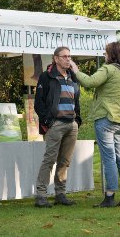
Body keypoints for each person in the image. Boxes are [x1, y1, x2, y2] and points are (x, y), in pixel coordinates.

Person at [70, 42, 120, 207]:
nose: (104, 56)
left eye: (105, 53)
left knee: (109, 158)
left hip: (106, 119)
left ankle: (110, 195)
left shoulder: (108, 69)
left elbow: (89, 82)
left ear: (112, 55)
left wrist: (76, 70)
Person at [34, 46, 82, 208]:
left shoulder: (72, 77)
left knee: (65, 161)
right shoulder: (46, 77)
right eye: (64, 56)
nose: (68, 59)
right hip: (55, 124)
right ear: (55, 58)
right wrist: (49, 121)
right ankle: (41, 195)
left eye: (69, 56)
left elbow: (76, 101)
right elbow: (38, 103)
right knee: (50, 160)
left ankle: (60, 194)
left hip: (71, 124)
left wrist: (78, 120)